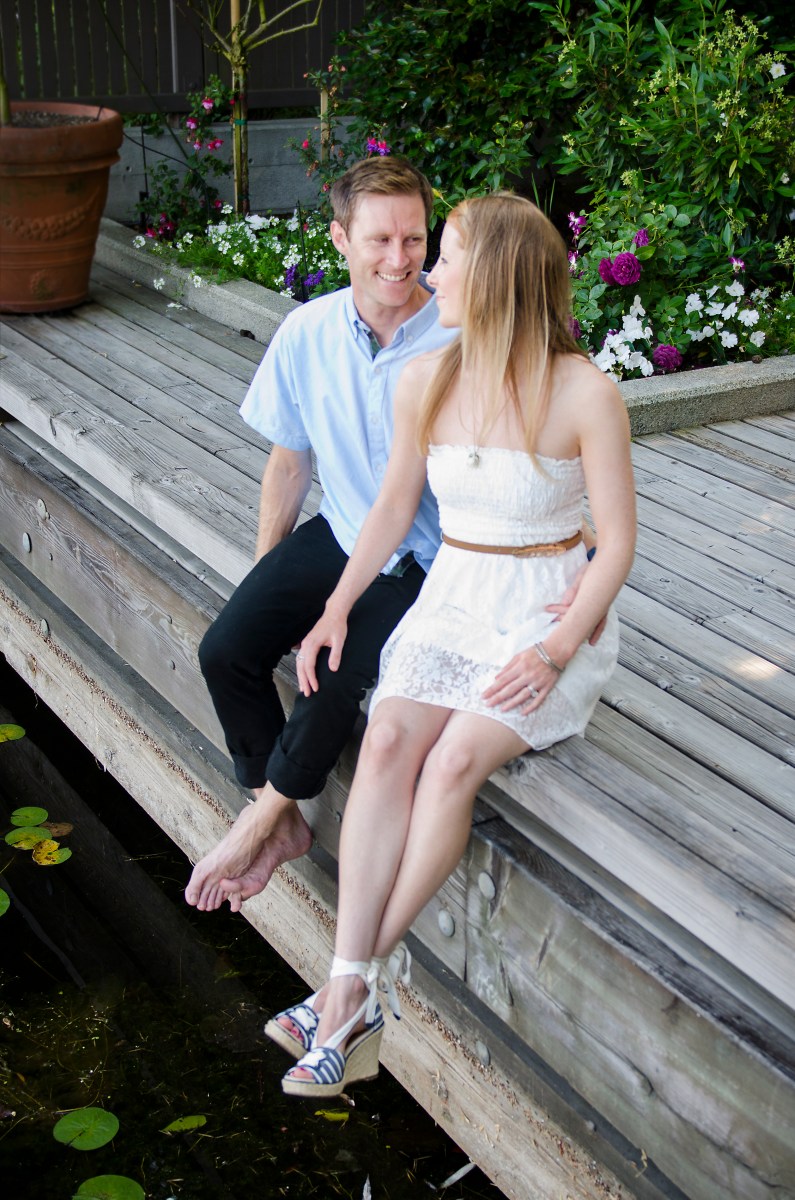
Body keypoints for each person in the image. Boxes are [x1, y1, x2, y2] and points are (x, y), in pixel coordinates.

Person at [268, 193, 637, 1098]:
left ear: (498, 274)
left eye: (447, 258)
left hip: (542, 614)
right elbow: (393, 511)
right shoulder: (425, 378)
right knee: (390, 741)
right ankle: (352, 986)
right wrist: (336, 609)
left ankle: (344, 987)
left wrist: (554, 649)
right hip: (454, 597)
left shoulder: (584, 391)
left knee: (453, 761)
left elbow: (617, 544)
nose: (427, 273)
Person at [184, 157, 459, 913]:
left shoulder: (458, 330)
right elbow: (289, 459)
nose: (400, 260)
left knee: (333, 674)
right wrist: (268, 578)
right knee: (227, 648)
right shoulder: (306, 331)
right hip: (342, 529)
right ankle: (279, 821)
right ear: (340, 237)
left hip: (432, 557)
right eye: (379, 240)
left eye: (413, 238)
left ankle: (265, 818)